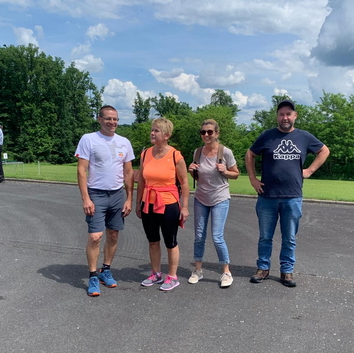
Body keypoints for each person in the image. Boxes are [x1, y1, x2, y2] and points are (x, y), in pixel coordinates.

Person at [245, 100, 330, 287]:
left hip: (292, 196)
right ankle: (263, 268)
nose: (285, 117)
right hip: (267, 196)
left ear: (295, 116)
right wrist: (252, 178)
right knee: (265, 236)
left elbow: (324, 151)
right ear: (277, 116)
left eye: (288, 114)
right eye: (281, 114)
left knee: (289, 237)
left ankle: (286, 271)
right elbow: (250, 154)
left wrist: (309, 171)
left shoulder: (304, 137)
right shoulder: (267, 136)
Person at [75, 105, 135, 297]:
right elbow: (81, 170)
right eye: (108, 118)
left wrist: (129, 199)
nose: (112, 122)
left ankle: (105, 270)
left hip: (117, 195)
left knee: (114, 235)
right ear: (99, 119)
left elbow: (128, 173)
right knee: (95, 236)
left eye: (115, 119)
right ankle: (93, 275)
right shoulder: (89, 139)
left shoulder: (124, 142)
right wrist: (86, 198)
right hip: (96, 194)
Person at [135, 117, 189, 291]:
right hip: (148, 202)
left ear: (166, 135)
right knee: (152, 240)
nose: (152, 133)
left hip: (168, 203)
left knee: (170, 241)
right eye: (152, 130)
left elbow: (184, 182)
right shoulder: (145, 154)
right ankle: (156, 273)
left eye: (156, 130)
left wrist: (185, 206)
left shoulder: (175, 155)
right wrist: (138, 203)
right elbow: (141, 181)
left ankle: (172, 276)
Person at [187, 119, 239, 288]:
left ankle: (226, 272)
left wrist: (226, 171)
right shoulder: (197, 152)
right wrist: (192, 172)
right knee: (199, 236)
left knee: (217, 237)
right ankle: (198, 270)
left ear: (217, 133)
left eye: (210, 132)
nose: (206, 135)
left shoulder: (225, 152)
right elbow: (199, 178)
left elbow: (236, 174)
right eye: (203, 132)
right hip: (201, 198)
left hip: (220, 198)